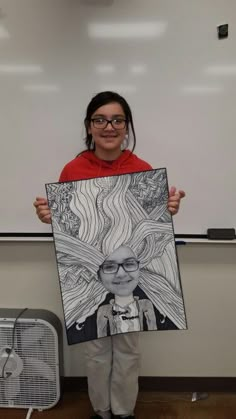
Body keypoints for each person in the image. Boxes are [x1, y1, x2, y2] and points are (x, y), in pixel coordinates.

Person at [34, 91, 185, 419]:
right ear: (89, 127)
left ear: (126, 127)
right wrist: (50, 216)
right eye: (99, 119)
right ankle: (101, 410)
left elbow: (151, 227)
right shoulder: (73, 169)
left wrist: (168, 208)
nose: (109, 126)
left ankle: (123, 411)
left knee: (128, 350)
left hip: (128, 278)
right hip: (89, 279)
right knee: (97, 350)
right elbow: (68, 226)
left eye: (117, 120)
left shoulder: (141, 169)